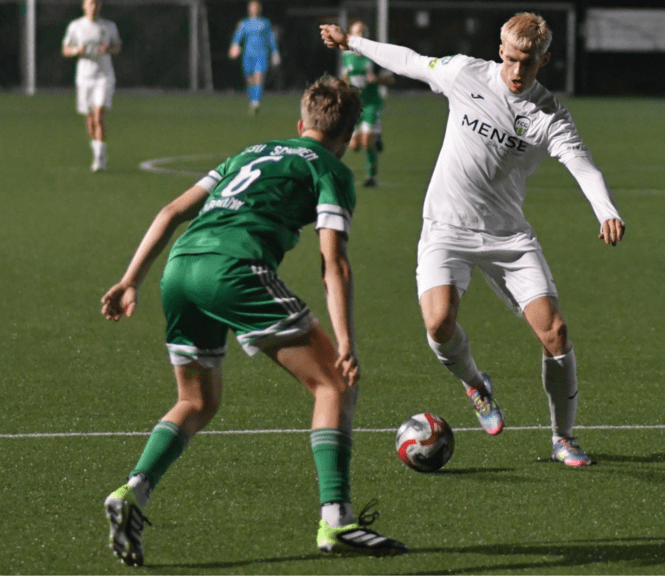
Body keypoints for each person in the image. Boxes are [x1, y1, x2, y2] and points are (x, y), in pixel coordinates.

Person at [99, 75, 407, 566]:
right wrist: (346, 341)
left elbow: (172, 210)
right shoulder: (330, 169)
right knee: (334, 384)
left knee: (196, 400)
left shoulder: (249, 153)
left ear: (300, 124)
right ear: (348, 138)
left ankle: (133, 491)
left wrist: (130, 279)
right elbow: (334, 263)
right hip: (234, 270)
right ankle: (337, 519)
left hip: (179, 269)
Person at [321, 13, 626, 467]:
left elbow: (582, 165)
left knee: (555, 332)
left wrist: (606, 209)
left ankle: (563, 438)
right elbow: (409, 61)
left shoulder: (549, 115)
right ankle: (476, 385)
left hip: (508, 237)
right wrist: (352, 42)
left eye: (529, 62)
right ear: (501, 51)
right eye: (512, 59)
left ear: (544, 60)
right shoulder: (465, 73)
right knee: (439, 325)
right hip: (445, 227)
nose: (518, 71)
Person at [61, 0, 121, 172]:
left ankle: (99, 158)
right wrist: (76, 51)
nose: (93, 8)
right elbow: (65, 49)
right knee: (90, 120)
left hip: (104, 77)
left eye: (96, 4)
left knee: (99, 114)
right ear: (84, 6)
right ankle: (97, 150)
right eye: (90, 4)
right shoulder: (76, 26)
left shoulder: (109, 26)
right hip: (84, 78)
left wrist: (109, 50)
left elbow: (117, 47)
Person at [341, 20, 394, 188]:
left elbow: (391, 79)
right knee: (354, 146)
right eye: (357, 32)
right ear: (350, 35)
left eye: (363, 32)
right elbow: (344, 77)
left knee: (366, 142)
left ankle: (372, 177)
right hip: (354, 106)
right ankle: (375, 136)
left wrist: (376, 79)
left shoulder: (375, 55)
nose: (360, 35)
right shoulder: (346, 56)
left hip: (371, 104)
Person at [229, 0, 280, 114]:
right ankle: (252, 100)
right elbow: (238, 36)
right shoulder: (244, 23)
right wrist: (234, 46)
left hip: (261, 54)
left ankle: (256, 102)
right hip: (248, 55)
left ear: (259, 9)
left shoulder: (265, 23)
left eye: (255, 7)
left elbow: (271, 38)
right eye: (252, 7)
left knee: (259, 77)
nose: (254, 9)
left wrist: (275, 52)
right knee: (250, 79)